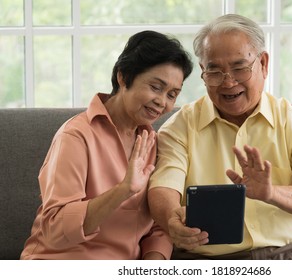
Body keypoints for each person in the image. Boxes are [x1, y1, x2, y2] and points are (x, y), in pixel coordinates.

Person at [148, 14, 292, 260]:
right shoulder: (180, 127)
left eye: (239, 68)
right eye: (215, 71)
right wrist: (171, 220)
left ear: (264, 64)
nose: (228, 83)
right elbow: (163, 188)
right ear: (202, 72)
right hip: (209, 259)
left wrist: (272, 193)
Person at [20, 30, 193, 260]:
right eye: (155, 87)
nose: (162, 102)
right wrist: (123, 190)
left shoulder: (154, 143)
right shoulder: (75, 136)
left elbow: (159, 227)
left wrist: (154, 264)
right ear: (123, 77)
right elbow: (54, 230)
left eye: (172, 94)